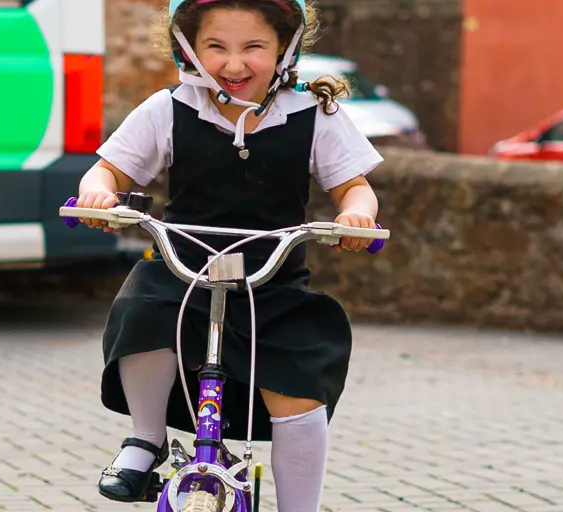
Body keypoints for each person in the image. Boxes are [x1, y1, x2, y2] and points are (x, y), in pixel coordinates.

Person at [71, 0, 382, 510]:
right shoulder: (169, 108)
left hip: (273, 284)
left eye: (253, 47)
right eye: (216, 46)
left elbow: (356, 188)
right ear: (188, 48)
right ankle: (145, 441)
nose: (234, 65)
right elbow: (107, 171)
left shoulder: (314, 115)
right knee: (144, 307)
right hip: (184, 271)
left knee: (301, 385)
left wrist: (356, 214)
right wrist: (98, 194)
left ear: (284, 47)